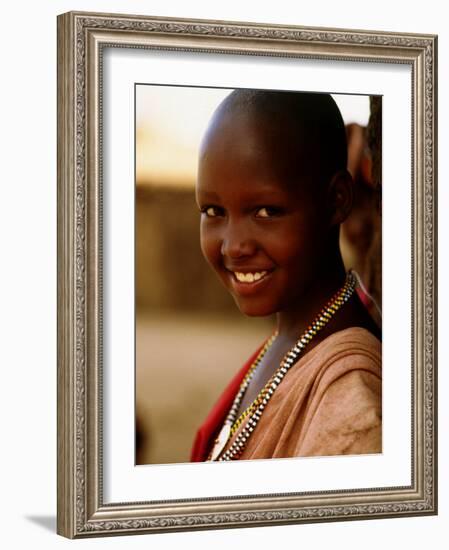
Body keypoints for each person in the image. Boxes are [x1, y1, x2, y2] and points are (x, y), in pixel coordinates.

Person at [190, 89, 381, 462]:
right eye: (213, 210)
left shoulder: (350, 404)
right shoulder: (291, 336)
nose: (233, 246)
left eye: (265, 211)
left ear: (338, 199)